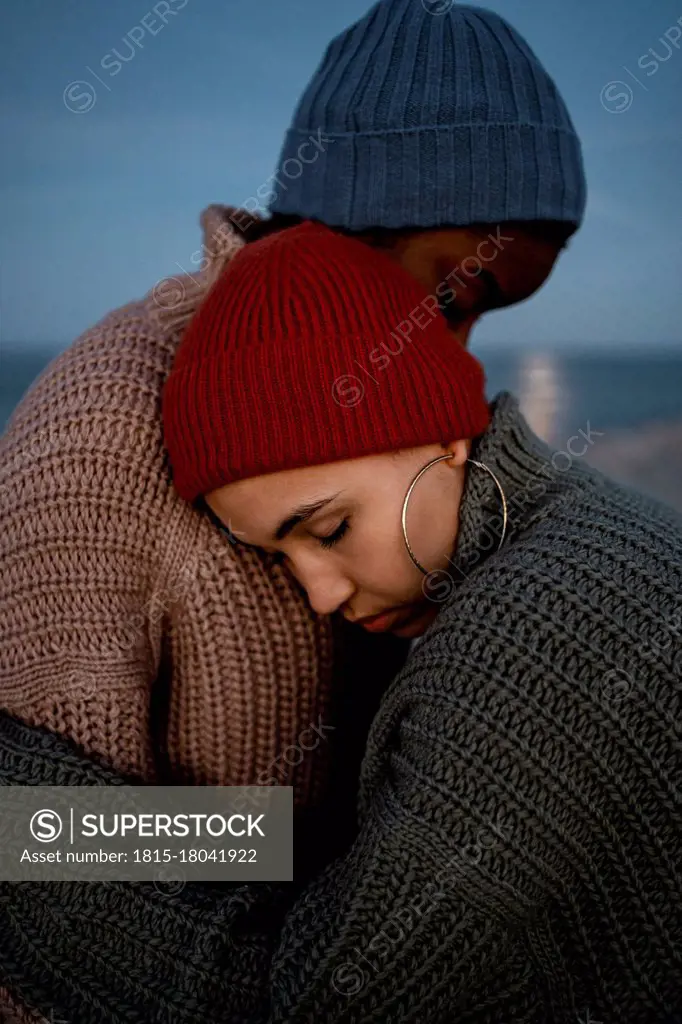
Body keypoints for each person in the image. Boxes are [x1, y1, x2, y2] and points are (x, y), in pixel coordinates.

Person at [2, 218, 680, 1024]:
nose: (319, 593)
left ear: (442, 432)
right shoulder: (588, 524)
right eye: (277, 558)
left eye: (328, 530)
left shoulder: (522, 644)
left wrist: (31, 827)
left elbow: (315, 1005)